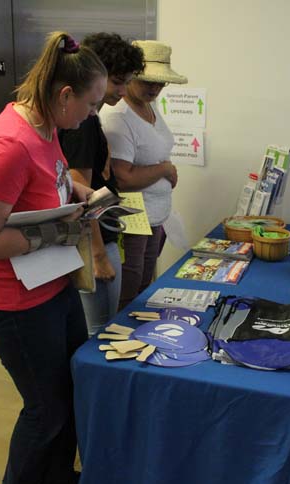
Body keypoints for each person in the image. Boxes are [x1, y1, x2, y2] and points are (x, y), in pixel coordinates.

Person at [0, 32, 107, 484]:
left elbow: (55, 177)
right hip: (10, 301)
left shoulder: (46, 127)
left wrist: (82, 194)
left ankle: (58, 481)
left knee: (69, 392)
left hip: (49, 282)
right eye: (92, 104)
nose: (95, 114)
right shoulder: (9, 146)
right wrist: (54, 234)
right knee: (46, 410)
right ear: (65, 95)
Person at [59, 33, 145, 336]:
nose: (122, 91)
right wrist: (97, 256)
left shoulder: (90, 118)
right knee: (100, 332)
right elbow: (81, 188)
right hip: (92, 243)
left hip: (103, 238)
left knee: (104, 327)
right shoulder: (82, 123)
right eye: (117, 82)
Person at [99, 40, 187, 310]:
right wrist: (164, 169)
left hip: (155, 214)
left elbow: (153, 148)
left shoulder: (149, 105)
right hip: (133, 216)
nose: (155, 88)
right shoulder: (118, 116)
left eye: (160, 84)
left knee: (144, 283)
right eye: (148, 82)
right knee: (130, 286)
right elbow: (123, 177)